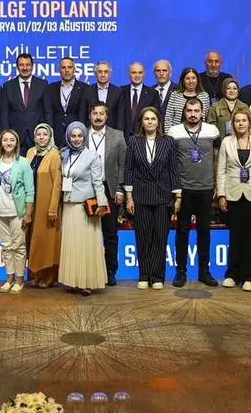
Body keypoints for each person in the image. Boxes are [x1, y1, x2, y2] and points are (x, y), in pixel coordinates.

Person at [124, 107, 180, 290]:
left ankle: (157, 277)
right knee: (143, 237)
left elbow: (173, 169)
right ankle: (144, 275)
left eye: (153, 119)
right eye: (146, 119)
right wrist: (129, 197)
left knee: (160, 238)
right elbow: (128, 169)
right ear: (141, 122)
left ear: (158, 122)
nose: (150, 122)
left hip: (163, 196)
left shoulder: (168, 141)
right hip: (141, 196)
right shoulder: (134, 141)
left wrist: (178, 195)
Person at [170, 98, 220, 287]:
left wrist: (217, 185)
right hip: (184, 190)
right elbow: (171, 163)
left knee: (204, 232)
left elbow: (217, 158)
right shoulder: (174, 132)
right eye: (189, 110)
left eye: (196, 110)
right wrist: (176, 190)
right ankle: (180, 272)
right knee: (182, 231)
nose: (193, 114)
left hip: (206, 189)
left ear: (202, 112)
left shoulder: (212, 131)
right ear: (184, 112)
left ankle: (204, 272)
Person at [57, 121, 109, 295]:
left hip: (84, 207)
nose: (76, 139)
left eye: (80, 136)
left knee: (85, 246)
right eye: (73, 136)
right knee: (71, 246)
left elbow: (98, 182)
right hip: (68, 205)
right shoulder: (63, 154)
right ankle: (73, 281)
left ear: (84, 137)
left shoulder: (92, 156)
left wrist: (102, 204)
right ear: (68, 137)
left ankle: (87, 282)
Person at [217, 109, 251, 291]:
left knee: (250, 237)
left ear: (249, 122)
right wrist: (221, 194)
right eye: (237, 121)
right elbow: (221, 170)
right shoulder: (226, 142)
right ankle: (233, 274)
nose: (241, 123)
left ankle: (250, 277)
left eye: (244, 120)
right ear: (233, 124)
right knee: (234, 236)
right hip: (232, 193)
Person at [0, 129, 35, 293]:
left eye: (12, 140)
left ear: (17, 143)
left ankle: (20, 280)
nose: (8, 143)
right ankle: (10, 278)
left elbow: (30, 191)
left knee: (19, 247)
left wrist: (28, 213)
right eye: (5, 140)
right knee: (6, 247)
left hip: (17, 212)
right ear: (0, 143)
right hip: (0, 212)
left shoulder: (23, 163)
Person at [87, 101, 126, 286]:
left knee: (110, 233)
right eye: (95, 113)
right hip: (87, 191)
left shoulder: (117, 136)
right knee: (88, 233)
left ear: (107, 116)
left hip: (109, 190)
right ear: (90, 115)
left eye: (101, 113)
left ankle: (110, 271)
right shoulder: (81, 135)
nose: (98, 117)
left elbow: (123, 165)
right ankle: (89, 271)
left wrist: (120, 189)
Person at [27, 122, 64, 288]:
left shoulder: (54, 154)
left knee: (47, 241)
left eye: (45, 134)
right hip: (31, 204)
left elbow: (57, 183)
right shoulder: (30, 152)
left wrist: (53, 208)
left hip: (47, 205)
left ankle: (48, 275)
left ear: (50, 136)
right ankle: (35, 273)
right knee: (34, 240)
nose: (41, 137)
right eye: (38, 134)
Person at [1, 53, 48, 149]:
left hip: (38, 137)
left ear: (32, 66)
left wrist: (48, 133)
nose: (25, 68)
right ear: (17, 67)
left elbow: (47, 111)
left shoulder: (43, 85)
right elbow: (4, 114)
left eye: (28, 65)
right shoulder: (8, 86)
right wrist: (6, 136)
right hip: (16, 138)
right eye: (21, 65)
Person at [46, 57, 91, 146]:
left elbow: (87, 114)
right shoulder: (51, 88)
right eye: (63, 67)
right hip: (56, 136)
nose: (67, 70)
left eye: (69, 67)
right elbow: (48, 112)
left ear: (74, 69)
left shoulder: (85, 88)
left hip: (77, 135)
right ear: (59, 70)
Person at [114, 62, 160, 134]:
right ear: (129, 74)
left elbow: (155, 117)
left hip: (143, 135)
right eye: (134, 72)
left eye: (140, 73)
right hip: (122, 136)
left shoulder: (153, 94)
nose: (137, 75)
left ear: (144, 74)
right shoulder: (120, 91)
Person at [163, 67, 212, 135]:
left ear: (197, 80)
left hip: (200, 135)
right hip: (177, 135)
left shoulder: (204, 96)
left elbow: (207, 118)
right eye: (187, 78)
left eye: (193, 78)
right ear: (183, 81)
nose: (191, 81)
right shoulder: (175, 95)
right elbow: (168, 118)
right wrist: (169, 136)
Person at [90, 61, 124, 128]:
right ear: (95, 74)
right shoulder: (87, 91)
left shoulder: (118, 92)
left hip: (112, 131)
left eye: (106, 72)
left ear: (110, 74)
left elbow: (120, 117)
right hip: (91, 131)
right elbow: (83, 115)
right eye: (100, 72)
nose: (103, 75)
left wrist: (118, 133)